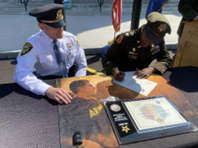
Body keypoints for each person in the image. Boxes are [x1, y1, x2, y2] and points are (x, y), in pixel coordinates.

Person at [13, 3, 87, 104]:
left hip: (72, 79)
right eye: (55, 27)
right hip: (47, 82)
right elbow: (21, 74)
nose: (61, 30)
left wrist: (77, 82)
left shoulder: (71, 38)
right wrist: (47, 90)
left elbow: (82, 65)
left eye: (61, 24)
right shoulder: (33, 44)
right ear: (41, 27)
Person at [102, 12, 172, 81]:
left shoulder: (159, 41)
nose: (149, 42)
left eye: (153, 40)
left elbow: (166, 59)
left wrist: (151, 69)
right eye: (147, 37)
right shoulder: (125, 39)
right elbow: (107, 58)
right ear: (144, 28)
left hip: (141, 78)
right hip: (122, 76)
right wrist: (114, 72)